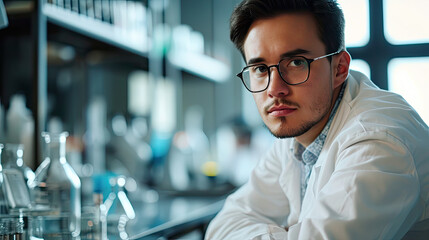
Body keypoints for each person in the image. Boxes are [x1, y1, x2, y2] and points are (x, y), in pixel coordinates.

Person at [205, 0, 429, 239]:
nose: (275, 89)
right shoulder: (295, 131)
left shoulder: (379, 143)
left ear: (339, 69)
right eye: (260, 68)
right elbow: (223, 226)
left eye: (296, 62)